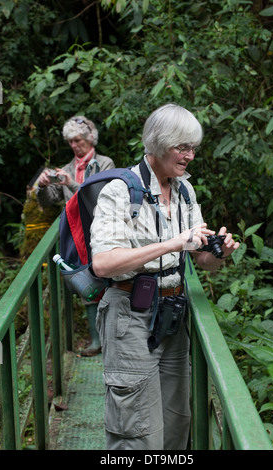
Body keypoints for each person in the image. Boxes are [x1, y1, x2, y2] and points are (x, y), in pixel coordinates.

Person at [90, 103, 240, 450]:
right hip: (130, 316)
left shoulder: (185, 191)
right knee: (137, 431)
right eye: (182, 147)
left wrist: (218, 254)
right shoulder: (119, 191)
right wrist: (172, 242)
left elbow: (199, 259)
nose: (189, 156)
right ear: (157, 144)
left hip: (173, 317)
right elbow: (103, 263)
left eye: (193, 148)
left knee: (176, 424)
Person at [37, 115, 115, 356]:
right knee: (84, 282)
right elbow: (50, 201)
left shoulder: (105, 164)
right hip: (76, 233)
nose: (74, 145)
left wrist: (72, 184)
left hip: (103, 229)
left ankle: (112, 337)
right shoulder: (67, 169)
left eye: (78, 140)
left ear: (91, 139)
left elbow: (100, 198)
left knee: (110, 280)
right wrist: (41, 187)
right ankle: (96, 340)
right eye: (70, 141)